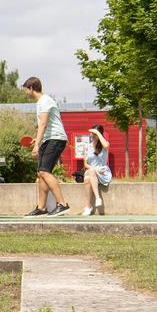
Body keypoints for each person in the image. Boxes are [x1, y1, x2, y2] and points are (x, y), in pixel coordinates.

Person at [22, 76, 70, 217]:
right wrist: (38, 139)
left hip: (55, 139)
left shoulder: (44, 101)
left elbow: (42, 123)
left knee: (44, 171)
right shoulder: (41, 102)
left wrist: (36, 145)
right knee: (41, 173)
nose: (25, 93)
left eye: (25, 90)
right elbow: (47, 125)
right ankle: (42, 208)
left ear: (31, 88)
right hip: (49, 139)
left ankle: (62, 204)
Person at [81, 124, 112, 216]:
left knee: (89, 175)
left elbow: (106, 145)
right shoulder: (87, 147)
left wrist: (98, 133)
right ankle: (95, 200)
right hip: (93, 171)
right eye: (91, 133)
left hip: (103, 171)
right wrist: (95, 170)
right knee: (87, 177)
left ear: (99, 134)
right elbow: (86, 164)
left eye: (94, 134)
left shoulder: (104, 145)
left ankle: (88, 206)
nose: (92, 135)